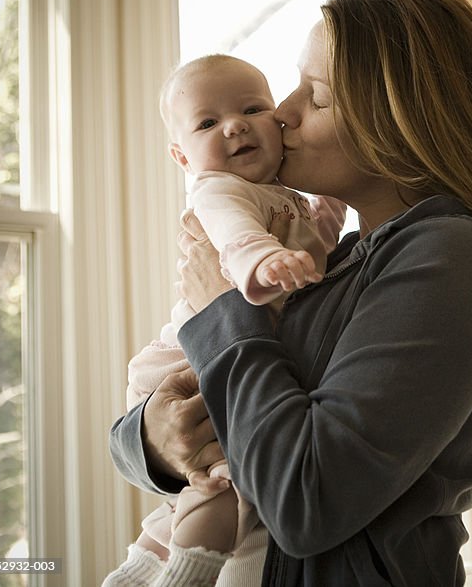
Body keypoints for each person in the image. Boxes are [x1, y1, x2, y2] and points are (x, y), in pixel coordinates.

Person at [109, 0, 472, 585]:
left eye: (317, 97)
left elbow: (306, 500)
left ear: (400, 119)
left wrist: (223, 308)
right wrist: (154, 441)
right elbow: (222, 424)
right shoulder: (340, 258)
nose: (282, 113)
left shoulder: (449, 257)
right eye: (293, 86)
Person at [104, 55, 345, 586]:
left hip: (222, 354)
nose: (235, 125)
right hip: (183, 362)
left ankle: (144, 566)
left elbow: (321, 235)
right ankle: (181, 573)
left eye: (252, 108)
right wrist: (261, 260)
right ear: (182, 156)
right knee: (220, 484)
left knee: (215, 487)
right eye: (208, 123)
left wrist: (335, 197)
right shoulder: (219, 190)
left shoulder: (287, 201)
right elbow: (234, 235)